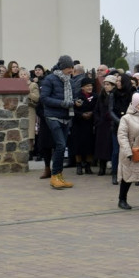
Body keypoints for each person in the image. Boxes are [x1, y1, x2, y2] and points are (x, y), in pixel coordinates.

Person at [40, 55, 79, 190]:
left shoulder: (71, 81)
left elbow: (73, 98)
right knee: (61, 145)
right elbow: (44, 98)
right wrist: (62, 103)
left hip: (66, 117)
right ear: (62, 67)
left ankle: (59, 176)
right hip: (52, 116)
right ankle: (55, 176)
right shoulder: (49, 79)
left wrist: (76, 102)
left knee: (60, 146)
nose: (71, 70)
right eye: (69, 67)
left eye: (72, 68)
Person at [70, 77, 97, 174]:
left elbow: (97, 108)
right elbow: (73, 110)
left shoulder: (95, 96)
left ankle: (88, 166)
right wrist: (81, 115)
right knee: (78, 145)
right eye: (87, 86)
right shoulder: (77, 97)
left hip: (90, 124)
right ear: (82, 87)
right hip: (79, 124)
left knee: (89, 145)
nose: (90, 87)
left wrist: (92, 113)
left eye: (91, 85)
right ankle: (79, 165)